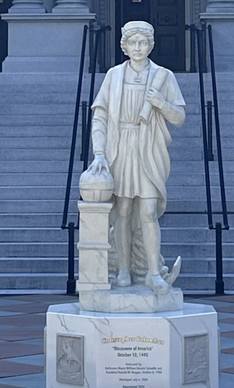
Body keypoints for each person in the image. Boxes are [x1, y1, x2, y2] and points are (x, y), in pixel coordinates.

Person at [87, 21, 186, 294]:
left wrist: (161, 104)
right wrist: (99, 153)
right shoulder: (114, 75)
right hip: (119, 148)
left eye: (143, 43)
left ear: (151, 45)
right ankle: (123, 271)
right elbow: (100, 116)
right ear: (125, 46)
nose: (138, 47)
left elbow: (179, 117)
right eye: (133, 43)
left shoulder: (163, 76)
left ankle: (153, 273)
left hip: (149, 150)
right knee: (122, 211)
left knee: (148, 211)